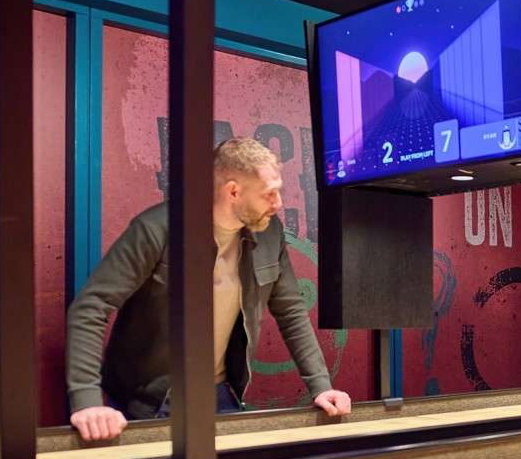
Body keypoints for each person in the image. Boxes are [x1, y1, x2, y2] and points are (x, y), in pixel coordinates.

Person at [66, 137, 352, 441]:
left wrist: (322, 386)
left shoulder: (270, 233)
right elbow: (91, 306)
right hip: (147, 402)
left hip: (220, 394)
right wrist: (87, 400)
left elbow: (291, 311)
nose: (279, 203)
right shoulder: (156, 229)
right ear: (233, 191)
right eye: (269, 194)